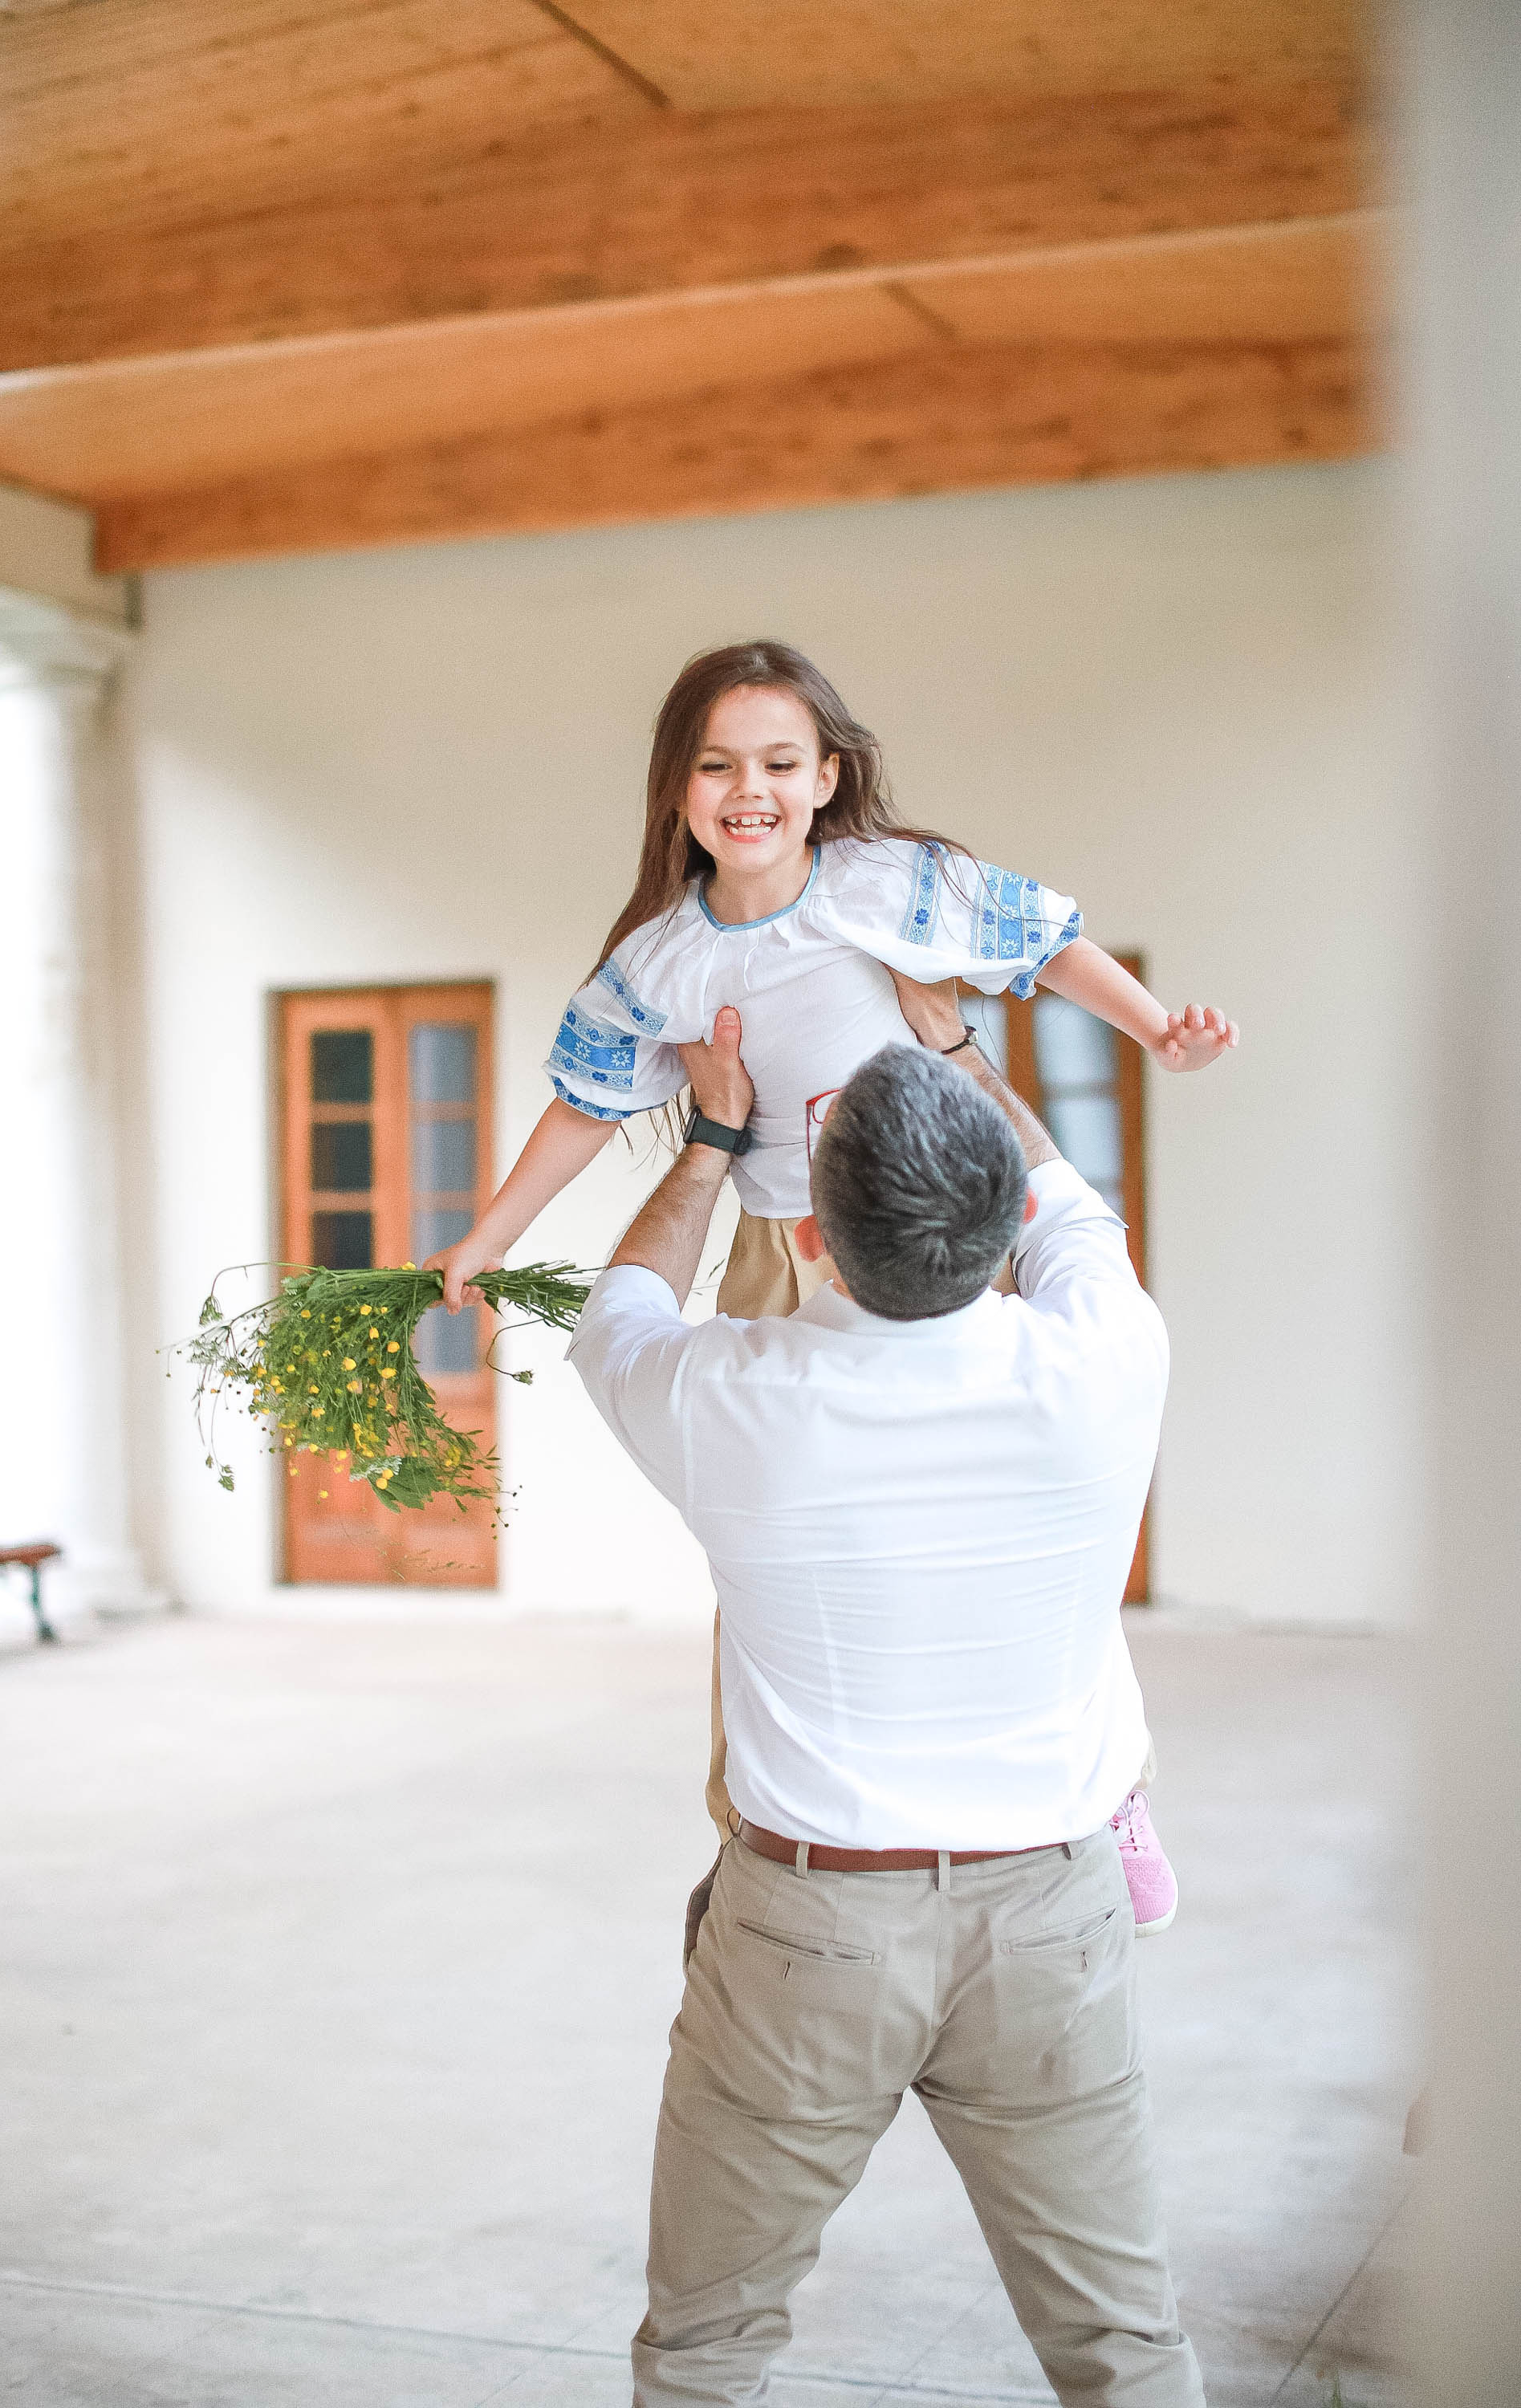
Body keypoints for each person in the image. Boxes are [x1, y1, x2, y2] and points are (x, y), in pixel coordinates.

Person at [427, 640, 1235, 1926]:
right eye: (717, 764)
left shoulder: (889, 887)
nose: (749, 788)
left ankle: (1111, 1790)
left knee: (1027, 1513)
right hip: (778, 1243)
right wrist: (489, 1237)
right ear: (677, 786)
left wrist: (1153, 1030)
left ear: (826, 777)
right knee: (764, 1545)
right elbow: (582, 1107)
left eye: (779, 762)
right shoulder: (658, 963)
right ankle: (752, 1823)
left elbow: (1044, 942)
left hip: (942, 1232)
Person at [567, 1008, 1205, 2408]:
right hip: (1052, 1917)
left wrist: (716, 1138)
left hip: (809, 1930)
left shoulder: (729, 1396)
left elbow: (616, 1313)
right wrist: (963, 1052)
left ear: (808, 1241)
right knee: (1127, 2348)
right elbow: (1074, 1221)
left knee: (705, 2351)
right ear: (1004, 1231)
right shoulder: (1108, 1363)